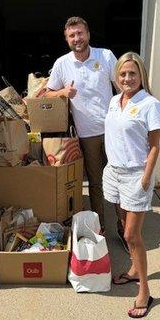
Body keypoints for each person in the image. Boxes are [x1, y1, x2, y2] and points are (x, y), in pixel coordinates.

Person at [103, 52, 160, 318]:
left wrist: (146, 178)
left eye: (132, 74)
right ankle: (133, 270)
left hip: (135, 175)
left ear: (141, 76)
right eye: (123, 74)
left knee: (131, 236)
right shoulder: (115, 101)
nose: (127, 78)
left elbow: (154, 147)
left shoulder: (151, 104)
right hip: (114, 172)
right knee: (122, 223)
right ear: (117, 77)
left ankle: (145, 292)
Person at [45, 16, 117, 234]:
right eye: (72, 35)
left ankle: (125, 226)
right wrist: (62, 92)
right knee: (95, 183)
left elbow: (122, 86)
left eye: (80, 33)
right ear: (67, 39)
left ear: (88, 34)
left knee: (121, 179)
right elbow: (46, 93)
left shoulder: (105, 56)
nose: (77, 38)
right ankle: (100, 226)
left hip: (114, 129)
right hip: (87, 134)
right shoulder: (62, 64)